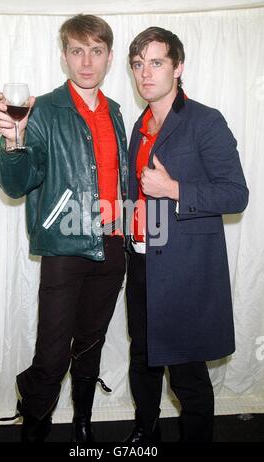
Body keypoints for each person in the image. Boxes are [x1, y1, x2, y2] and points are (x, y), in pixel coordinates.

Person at [0, 14, 128, 443]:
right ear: (65, 56)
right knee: (52, 353)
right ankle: (35, 425)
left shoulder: (118, 113)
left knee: (90, 344)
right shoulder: (45, 109)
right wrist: (14, 139)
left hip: (113, 246)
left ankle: (82, 424)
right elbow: (16, 185)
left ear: (108, 57)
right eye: (76, 50)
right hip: (64, 246)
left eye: (96, 50)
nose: (86, 61)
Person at [125, 26, 249, 443]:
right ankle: (145, 435)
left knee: (187, 373)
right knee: (142, 359)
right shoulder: (139, 126)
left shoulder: (206, 121)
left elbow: (236, 194)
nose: (146, 73)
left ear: (178, 67)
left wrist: (173, 189)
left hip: (184, 272)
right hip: (141, 262)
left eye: (156, 62)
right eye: (139, 64)